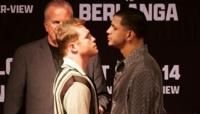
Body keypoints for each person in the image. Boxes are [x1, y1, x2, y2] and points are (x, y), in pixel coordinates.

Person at [3, 1, 108, 114]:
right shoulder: (25, 54)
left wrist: (94, 108)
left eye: (66, 22)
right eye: (56, 22)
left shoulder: (89, 54)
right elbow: (12, 106)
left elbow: (102, 95)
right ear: (46, 26)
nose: (61, 27)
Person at [106, 8, 165, 114]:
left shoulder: (143, 69)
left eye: (114, 28)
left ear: (129, 35)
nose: (108, 31)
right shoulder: (131, 65)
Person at [54, 18, 98, 114]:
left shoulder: (66, 73)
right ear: (73, 47)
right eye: (87, 37)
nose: (93, 38)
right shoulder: (76, 84)